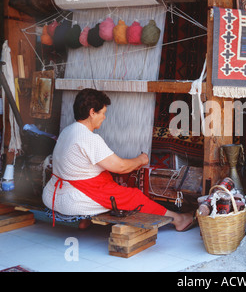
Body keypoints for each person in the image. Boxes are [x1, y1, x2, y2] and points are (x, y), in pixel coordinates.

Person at [42, 88, 195, 231]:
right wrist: (141, 160)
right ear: (92, 113)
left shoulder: (67, 131)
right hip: (73, 201)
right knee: (132, 196)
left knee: (104, 178)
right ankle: (178, 219)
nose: (104, 117)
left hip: (53, 195)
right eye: (102, 113)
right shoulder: (88, 138)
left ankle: (85, 219)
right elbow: (120, 167)